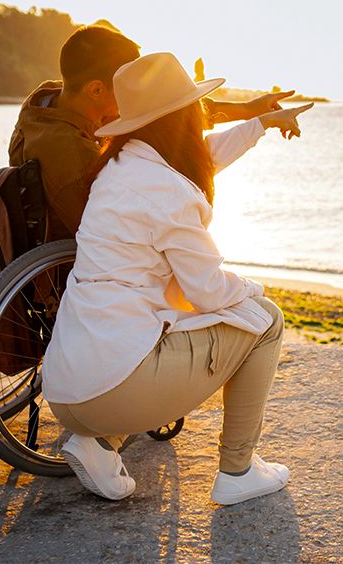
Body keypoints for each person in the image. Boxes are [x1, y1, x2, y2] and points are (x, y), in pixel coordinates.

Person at [43, 51, 314, 504]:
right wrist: (253, 291)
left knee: (148, 327)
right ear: (181, 115)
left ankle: (97, 443)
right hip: (112, 388)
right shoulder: (167, 189)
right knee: (266, 320)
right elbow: (208, 292)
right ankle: (238, 471)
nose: (201, 114)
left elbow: (200, 158)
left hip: (68, 390)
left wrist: (261, 124)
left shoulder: (120, 167)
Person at [8, 24, 295, 240]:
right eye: (128, 87)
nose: (138, 97)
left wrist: (248, 110)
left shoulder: (51, 101)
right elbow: (109, 236)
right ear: (96, 89)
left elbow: (169, 112)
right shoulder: (73, 157)